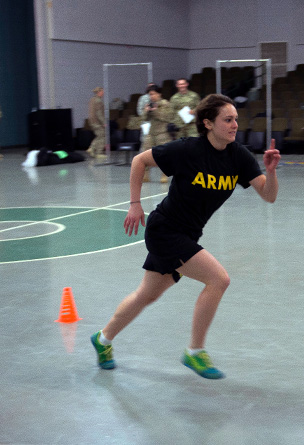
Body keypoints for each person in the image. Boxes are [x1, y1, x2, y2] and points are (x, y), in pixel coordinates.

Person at [90, 94, 280, 379]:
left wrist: (270, 172)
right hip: (165, 230)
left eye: (236, 120)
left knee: (147, 295)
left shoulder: (238, 155)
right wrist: (134, 203)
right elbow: (140, 161)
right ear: (208, 123)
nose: (234, 125)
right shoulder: (188, 149)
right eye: (227, 120)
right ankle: (195, 352)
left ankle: (102, 340)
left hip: (187, 234)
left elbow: (268, 196)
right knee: (219, 279)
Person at [141, 86, 174, 183]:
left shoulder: (165, 104)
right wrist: (146, 111)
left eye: (153, 94)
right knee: (145, 154)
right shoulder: (150, 104)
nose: (152, 96)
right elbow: (144, 118)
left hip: (162, 133)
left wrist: (156, 110)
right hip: (151, 133)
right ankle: (146, 175)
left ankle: (164, 175)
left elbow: (167, 117)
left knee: (164, 155)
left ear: (159, 94)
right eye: (150, 94)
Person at [87, 87, 106, 159]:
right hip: (97, 122)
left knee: (99, 135)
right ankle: (98, 152)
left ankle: (92, 150)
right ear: (99, 92)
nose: (103, 93)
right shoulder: (98, 101)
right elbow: (99, 113)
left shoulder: (92, 100)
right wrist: (104, 122)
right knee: (102, 135)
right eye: (102, 91)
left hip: (92, 121)